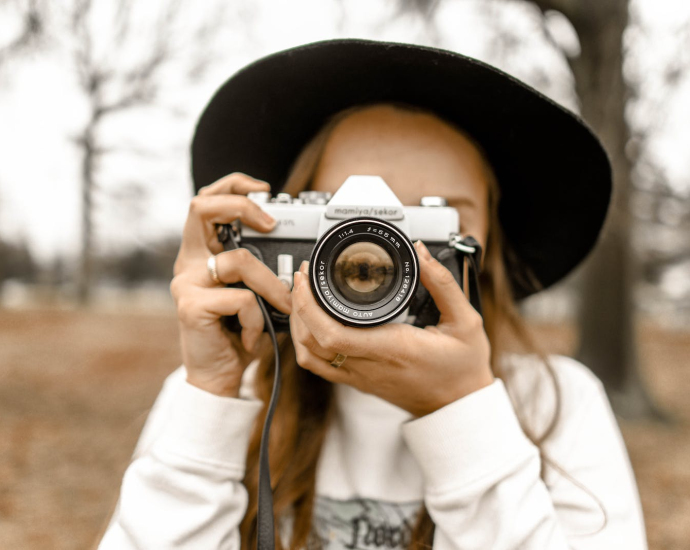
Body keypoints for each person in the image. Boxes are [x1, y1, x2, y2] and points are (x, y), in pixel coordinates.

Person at [97, 39, 647, 549]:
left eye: (431, 219)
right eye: (346, 217)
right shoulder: (222, 394)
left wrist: (463, 411)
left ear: (487, 250)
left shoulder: (556, 402)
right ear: (284, 230)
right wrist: (209, 396)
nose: (386, 252)